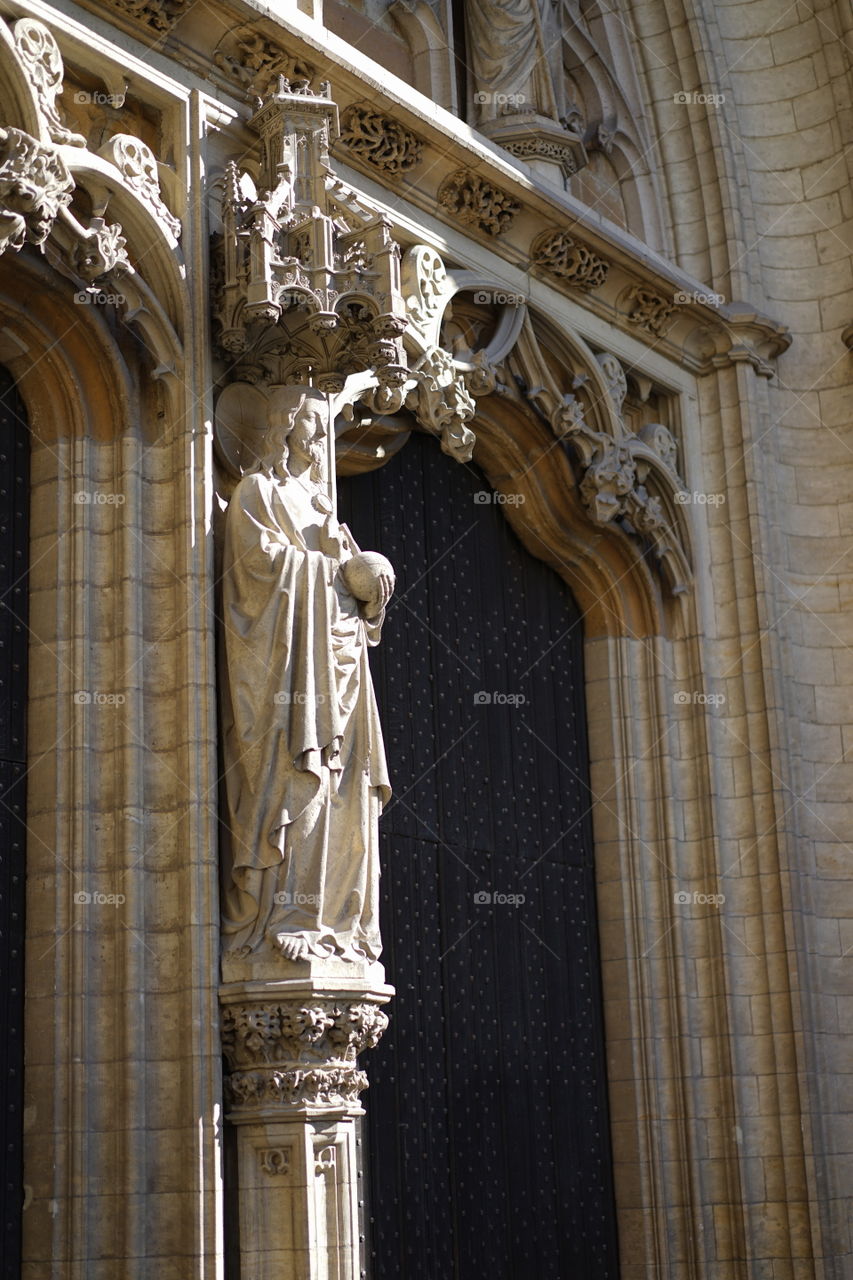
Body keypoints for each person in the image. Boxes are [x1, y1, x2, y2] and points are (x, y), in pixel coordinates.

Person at [219, 384, 394, 963]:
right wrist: (332, 574)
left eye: (324, 424)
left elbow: (350, 589)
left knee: (344, 784)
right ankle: (284, 917)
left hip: (339, 670)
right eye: (313, 422)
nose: (321, 436)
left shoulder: (324, 513)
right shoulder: (257, 493)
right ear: (283, 425)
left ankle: (334, 922)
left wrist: (371, 591)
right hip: (286, 673)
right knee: (298, 778)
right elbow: (255, 571)